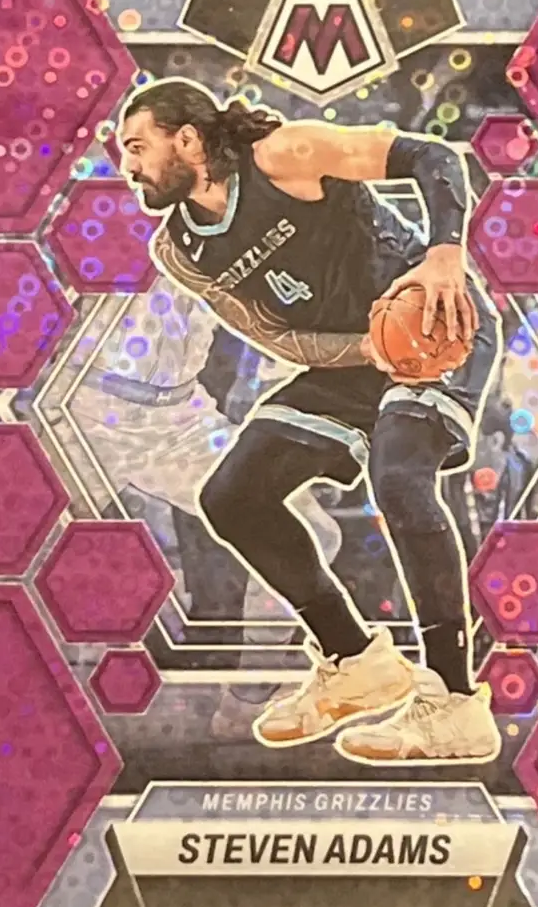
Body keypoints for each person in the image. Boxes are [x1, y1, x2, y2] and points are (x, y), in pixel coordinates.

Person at [117, 78, 503, 765]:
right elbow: (281, 338)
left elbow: (434, 157)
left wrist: (445, 256)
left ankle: (454, 701)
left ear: (188, 139)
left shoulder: (286, 154)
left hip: (439, 327)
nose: (128, 166)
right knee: (232, 497)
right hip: (358, 356)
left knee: (399, 477)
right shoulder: (177, 249)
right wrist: (369, 351)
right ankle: (354, 661)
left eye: (137, 146)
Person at [66, 276, 341, 698]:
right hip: (86, 407)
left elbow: (278, 336)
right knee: (39, 542)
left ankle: (252, 685)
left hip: (182, 419)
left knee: (315, 530)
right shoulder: (111, 238)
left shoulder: (236, 246)